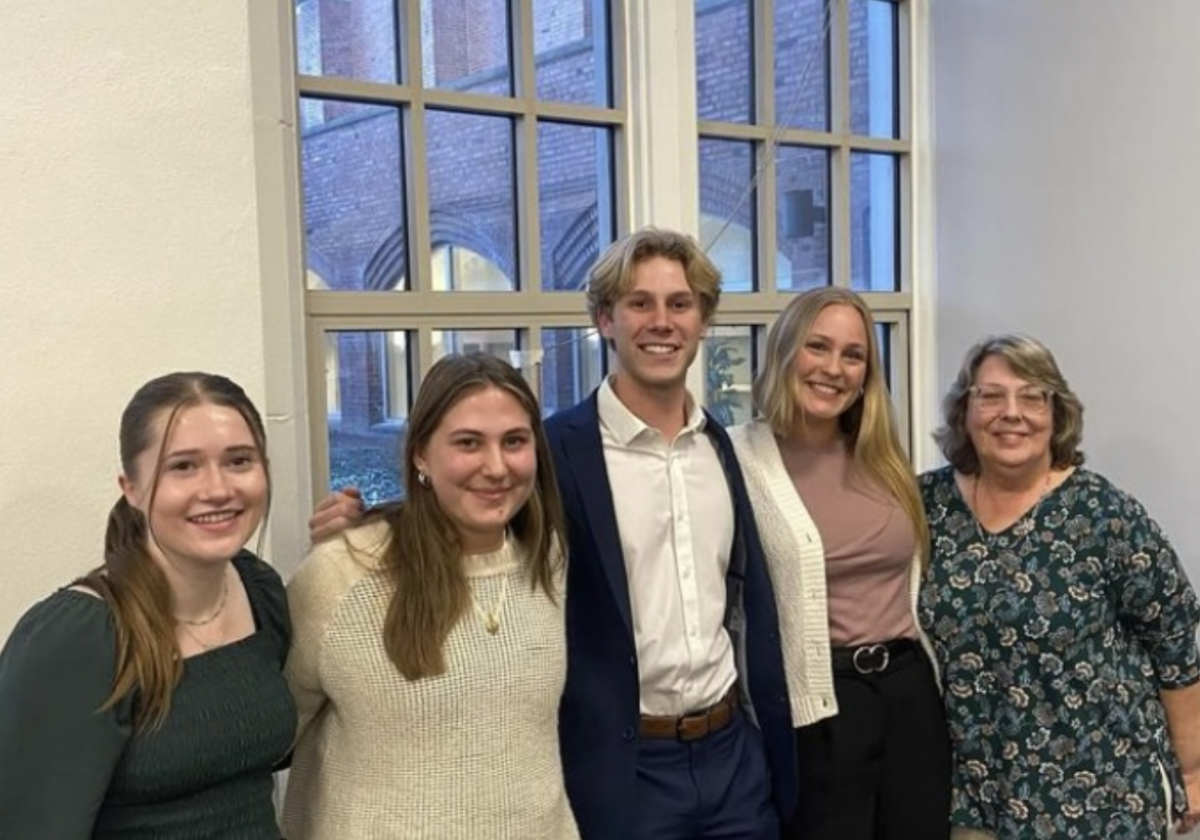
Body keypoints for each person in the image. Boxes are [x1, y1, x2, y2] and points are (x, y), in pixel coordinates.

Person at [307, 228, 796, 840]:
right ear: (604, 319)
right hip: (624, 764)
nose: (661, 322)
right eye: (639, 303)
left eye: (680, 304)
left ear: (703, 321)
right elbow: (475, 500)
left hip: (730, 757)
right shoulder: (553, 452)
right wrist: (371, 518)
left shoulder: (721, 446)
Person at [283, 353, 577, 840]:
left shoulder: (548, 561)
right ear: (421, 454)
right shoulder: (342, 575)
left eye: (515, 442)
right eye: (468, 443)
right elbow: (272, 736)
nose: (497, 466)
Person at [921, 333, 1200, 840]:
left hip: (1105, 792)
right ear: (965, 410)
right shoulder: (926, 506)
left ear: (1057, 413)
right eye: (991, 396)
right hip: (974, 796)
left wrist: (1192, 771)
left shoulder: (1102, 512)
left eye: (1033, 396)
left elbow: (1175, 638)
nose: (1012, 412)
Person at [0, 372, 294, 839]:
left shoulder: (260, 591)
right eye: (183, 466)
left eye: (239, 460)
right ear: (131, 488)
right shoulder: (81, 636)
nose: (217, 488)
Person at [727, 287, 950, 839]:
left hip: (910, 693)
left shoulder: (884, 457)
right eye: (818, 347)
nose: (834, 368)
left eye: (853, 356)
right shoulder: (737, 459)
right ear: (785, 350)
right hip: (820, 703)